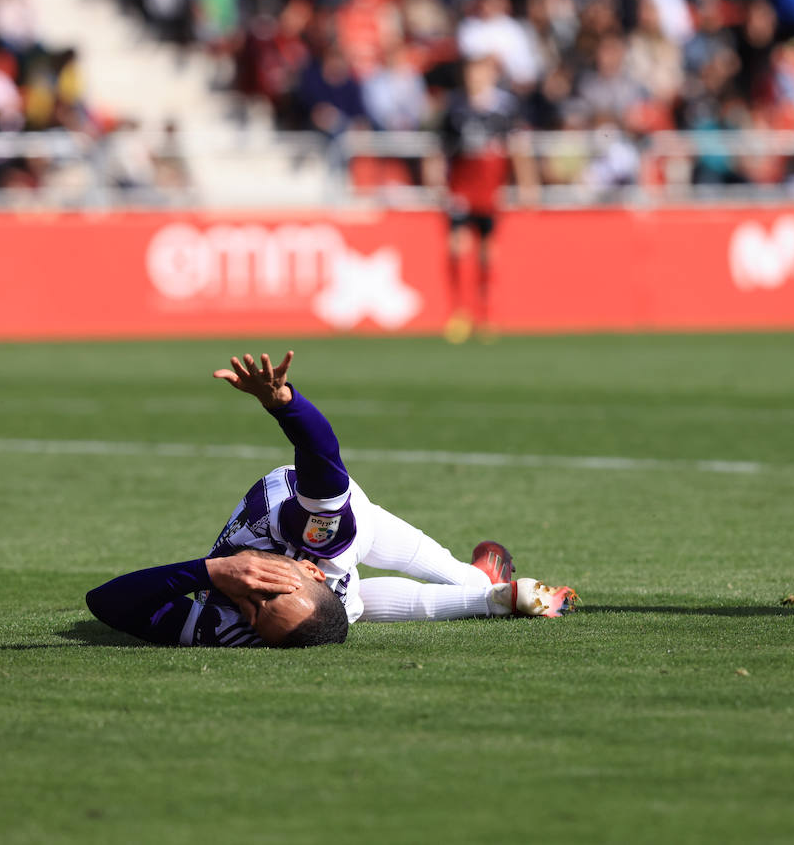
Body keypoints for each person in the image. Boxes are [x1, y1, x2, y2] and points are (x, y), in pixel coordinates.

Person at [86, 351, 577, 648]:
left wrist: (210, 572)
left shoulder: (234, 625)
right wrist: (286, 405)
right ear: (310, 573)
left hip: (337, 546)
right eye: (270, 598)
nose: (252, 601)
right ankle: (491, 590)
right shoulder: (315, 540)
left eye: (258, 614)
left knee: (354, 598)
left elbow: (105, 603)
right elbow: (323, 457)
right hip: (342, 530)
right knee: (358, 605)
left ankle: (484, 587)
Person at [426, 57, 539, 344]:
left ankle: (485, 314)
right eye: (471, 73)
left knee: (488, 252)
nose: (475, 78)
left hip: (489, 189)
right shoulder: (455, 107)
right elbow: (439, 148)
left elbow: (517, 148)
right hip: (462, 187)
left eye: (481, 73)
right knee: (457, 247)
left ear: (490, 76)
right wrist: (437, 181)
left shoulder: (505, 108)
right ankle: (460, 313)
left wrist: (527, 184)